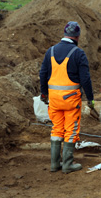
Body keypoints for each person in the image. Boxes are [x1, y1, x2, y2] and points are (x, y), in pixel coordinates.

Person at [39, 21, 94, 174]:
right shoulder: (78, 53)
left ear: (64, 34)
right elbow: (85, 79)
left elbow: (43, 74)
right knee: (71, 129)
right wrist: (90, 98)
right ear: (77, 37)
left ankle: (54, 164)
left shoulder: (50, 51)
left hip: (54, 100)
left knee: (57, 128)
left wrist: (44, 94)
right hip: (71, 100)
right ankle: (68, 164)